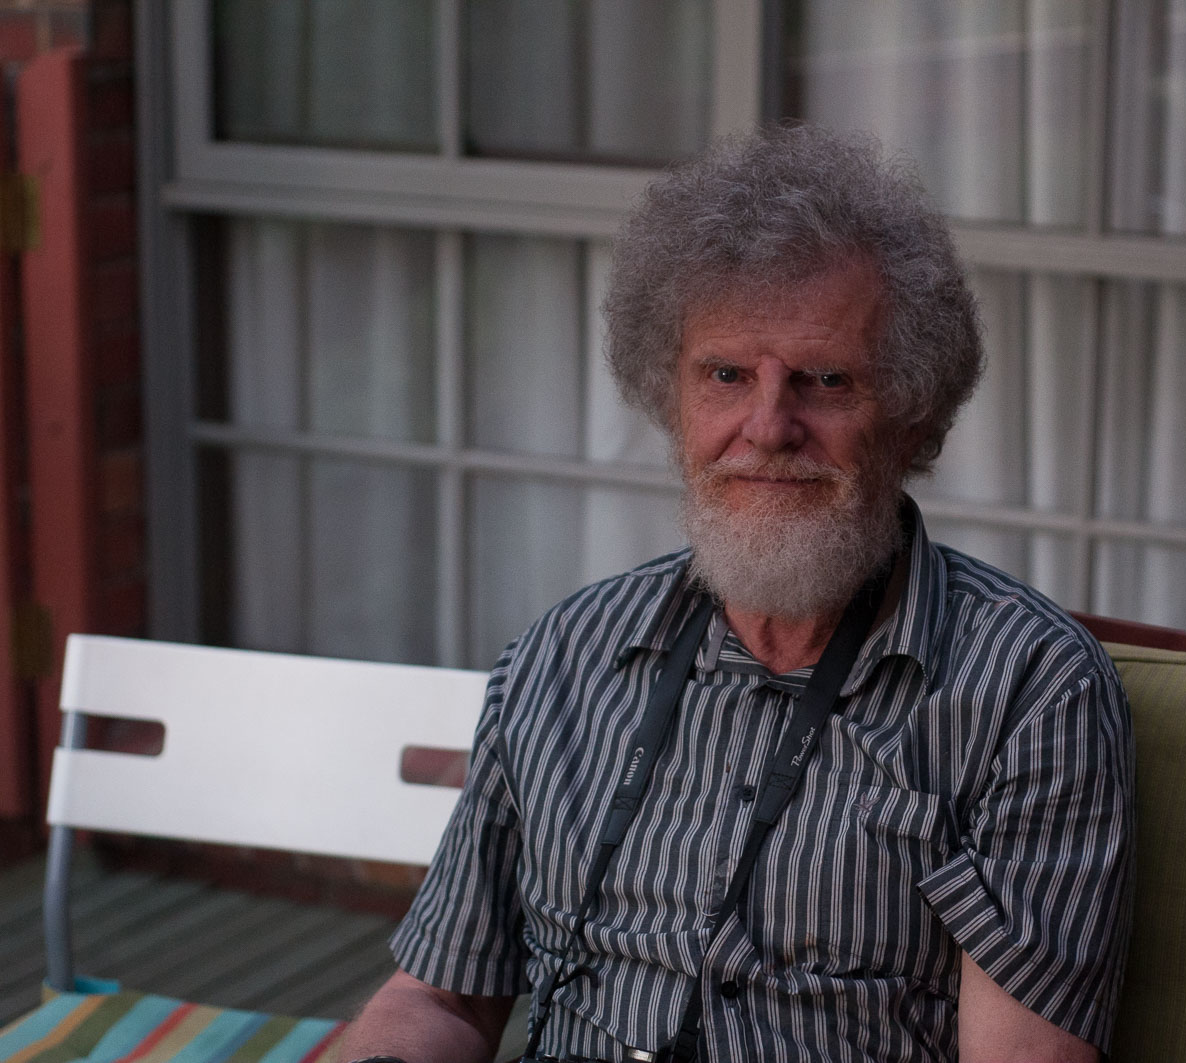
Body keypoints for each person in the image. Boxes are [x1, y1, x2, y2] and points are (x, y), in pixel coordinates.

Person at [338, 124, 1134, 1063]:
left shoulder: (1029, 692)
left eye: (824, 380)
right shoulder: (563, 654)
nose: (767, 426)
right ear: (671, 398)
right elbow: (438, 998)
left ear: (913, 410)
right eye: (725, 376)